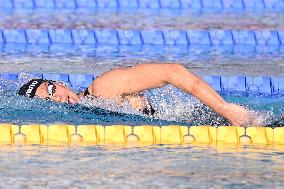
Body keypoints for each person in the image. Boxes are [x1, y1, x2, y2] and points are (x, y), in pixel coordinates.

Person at [18, 63, 254, 126]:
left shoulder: (103, 88)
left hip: (216, 122)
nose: (56, 98)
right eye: (47, 100)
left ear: (58, 82)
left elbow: (172, 71)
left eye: (51, 90)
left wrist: (226, 110)